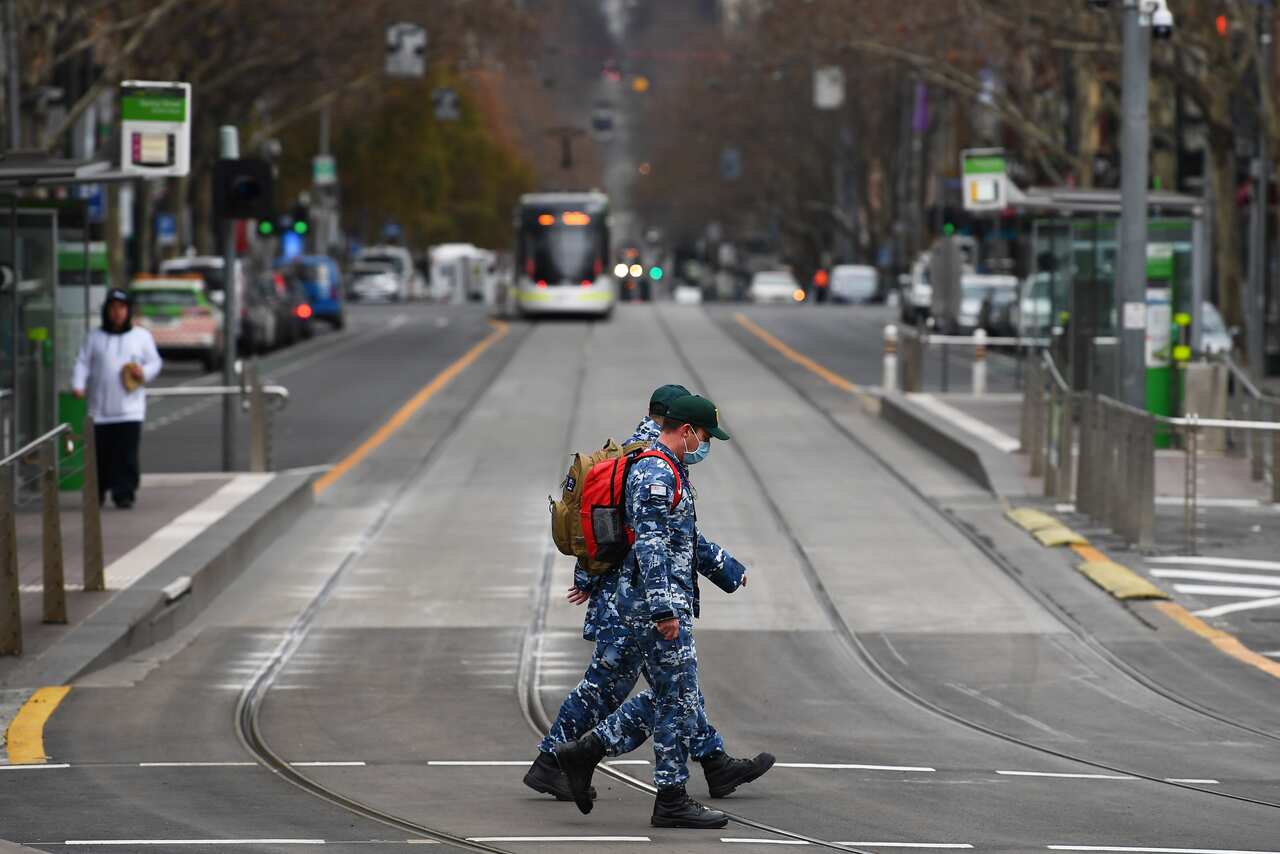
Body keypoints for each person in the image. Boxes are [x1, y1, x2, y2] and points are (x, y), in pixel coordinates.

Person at [557, 394, 769, 829]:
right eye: (705, 436)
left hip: (652, 603)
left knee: (674, 697)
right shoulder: (656, 471)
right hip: (655, 605)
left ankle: (589, 753)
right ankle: (668, 797)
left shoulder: (669, 468)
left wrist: (728, 571)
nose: (705, 444)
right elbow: (650, 544)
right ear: (686, 430)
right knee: (673, 698)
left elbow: (682, 540)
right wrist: (663, 610)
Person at [71, 289, 162, 509]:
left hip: (130, 409)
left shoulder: (141, 336)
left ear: (128, 310)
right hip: (99, 411)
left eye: (121, 308)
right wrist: (78, 384)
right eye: (113, 308)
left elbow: (155, 362)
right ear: (106, 311)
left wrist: (144, 372)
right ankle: (98, 490)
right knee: (100, 455)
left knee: (126, 454)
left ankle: (124, 492)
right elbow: (83, 362)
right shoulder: (94, 337)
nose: (117, 313)